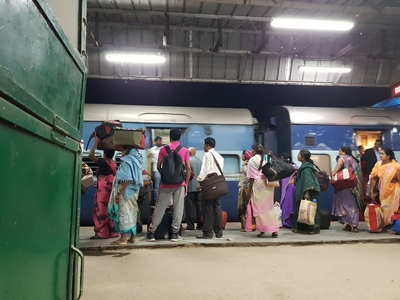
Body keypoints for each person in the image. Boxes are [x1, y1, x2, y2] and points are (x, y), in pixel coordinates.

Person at [147, 128, 191, 242]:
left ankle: (152, 232)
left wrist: (165, 176)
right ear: (180, 137)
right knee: (178, 208)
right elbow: (188, 168)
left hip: (165, 184)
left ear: (170, 137)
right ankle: (175, 234)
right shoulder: (184, 150)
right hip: (179, 184)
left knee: (160, 208)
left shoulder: (163, 149)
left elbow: (158, 166)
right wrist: (185, 183)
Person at [107, 146, 143, 245]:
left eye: (122, 150)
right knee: (132, 213)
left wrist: (119, 193)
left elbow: (127, 180)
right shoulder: (137, 162)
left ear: (126, 152)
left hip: (125, 193)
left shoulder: (126, 162)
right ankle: (132, 237)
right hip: (134, 192)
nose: (121, 153)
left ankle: (123, 238)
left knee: (123, 214)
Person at [89, 138, 119, 239]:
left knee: (100, 210)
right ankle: (112, 232)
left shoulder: (103, 162)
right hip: (111, 189)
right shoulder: (114, 163)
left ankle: (102, 233)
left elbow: (90, 156)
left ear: (105, 153)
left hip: (103, 190)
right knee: (109, 209)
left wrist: (95, 144)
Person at [246, 144, 279, 238]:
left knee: (259, 209)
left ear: (254, 151)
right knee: (269, 208)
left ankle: (262, 231)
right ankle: (275, 230)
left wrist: (250, 190)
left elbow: (251, 177)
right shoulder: (264, 159)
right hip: (268, 185)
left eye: (252, 150)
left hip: (258, 185)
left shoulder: (252, 160)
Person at [196, 137, 224, 239]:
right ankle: (218, 232)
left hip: (209, 185)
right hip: (218, 185)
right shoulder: (220, 157)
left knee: (208, 208)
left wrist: (199, 181)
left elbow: (205, 170)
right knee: (217, 207)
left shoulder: (208, 155)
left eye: (204, 145)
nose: (203, 146)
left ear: (207, 145)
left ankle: (207, 232)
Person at [331, 147, 363, 233]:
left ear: (344, 152)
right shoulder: (354, 159)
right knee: (353, 204)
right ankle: (353, 225)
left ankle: (349, 224)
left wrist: (333, 174)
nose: (339, 152)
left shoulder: (342, 158)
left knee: (345, 205)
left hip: (344, 185)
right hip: (354, 186)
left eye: (340, 151)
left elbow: (339, 165)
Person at [369, 148, 400, 232]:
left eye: (382, 154)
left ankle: (388, 225)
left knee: (392, 208)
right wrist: (371, 190)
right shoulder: (378, 165)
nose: (380, 155)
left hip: (394, 191)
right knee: (383, 207)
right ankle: (386, 224)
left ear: (388, 156)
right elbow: (374, 178)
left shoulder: (396, 166)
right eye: (380, 153)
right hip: (382, 190)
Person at [293, 150, 321, 234]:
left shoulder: (307, 168)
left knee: (309, 210)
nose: (297, 156)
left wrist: (306, 193)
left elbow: (308, 182)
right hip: (304, 191)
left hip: (308, 192)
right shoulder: (304, 166)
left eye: (299, 154)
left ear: (303, 157)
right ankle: (303, 228)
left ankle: (311, 229)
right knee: (304, 209)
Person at [184, 147, 203, 230]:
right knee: (200, 208)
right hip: (199, 188)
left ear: (190, 153)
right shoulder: (200, 161)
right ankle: (200, 225)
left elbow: (186, 172)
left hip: (190, 188)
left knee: (189, 208)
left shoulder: (187, 162)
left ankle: (190, 225)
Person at [279, 153, 298, 228]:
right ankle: (290, 223)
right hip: (293, 188)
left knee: (287, 205)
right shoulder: (295, 166)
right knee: (292, 205)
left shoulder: (285, 168)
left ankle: (287, 223)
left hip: (289, 189)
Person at [238, 150, 252, 231]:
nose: (241, 156)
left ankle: (246, 225)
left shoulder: (248, 164)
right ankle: (244, 225)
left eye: (242, 155)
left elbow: (248, 174)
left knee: (244, 207)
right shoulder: (247, 163)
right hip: (243, 187)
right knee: (242, 208)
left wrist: (244, 165)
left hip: (245, 188)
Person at [148, 136, 163, 205]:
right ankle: (156, 201)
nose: (160, 142)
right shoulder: (151, 150)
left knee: (163, 186)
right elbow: (149, 159)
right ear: (155, 142)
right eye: (159, 141)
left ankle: (162, 200)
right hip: (156, 169)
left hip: (163, 169)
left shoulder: (163, 149)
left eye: (161, 141)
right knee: (156, 186)